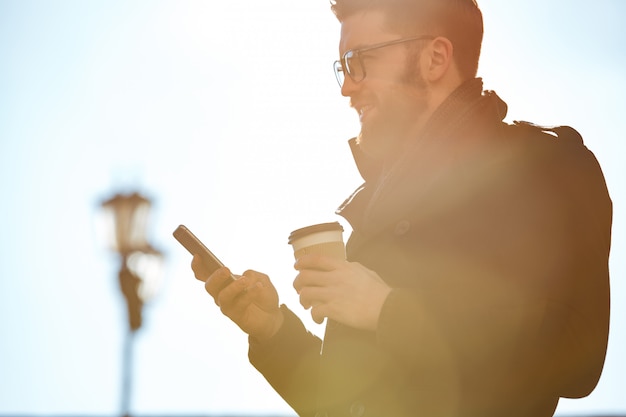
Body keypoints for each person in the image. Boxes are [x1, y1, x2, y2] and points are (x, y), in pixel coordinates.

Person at [191, 0, 612, 416]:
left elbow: (575, 354)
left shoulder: (544, 165)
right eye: (343, 66)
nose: (346, 86)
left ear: (435, 58)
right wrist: (272, 330)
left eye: (360, 61)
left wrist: (387, 310)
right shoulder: (376, 204)